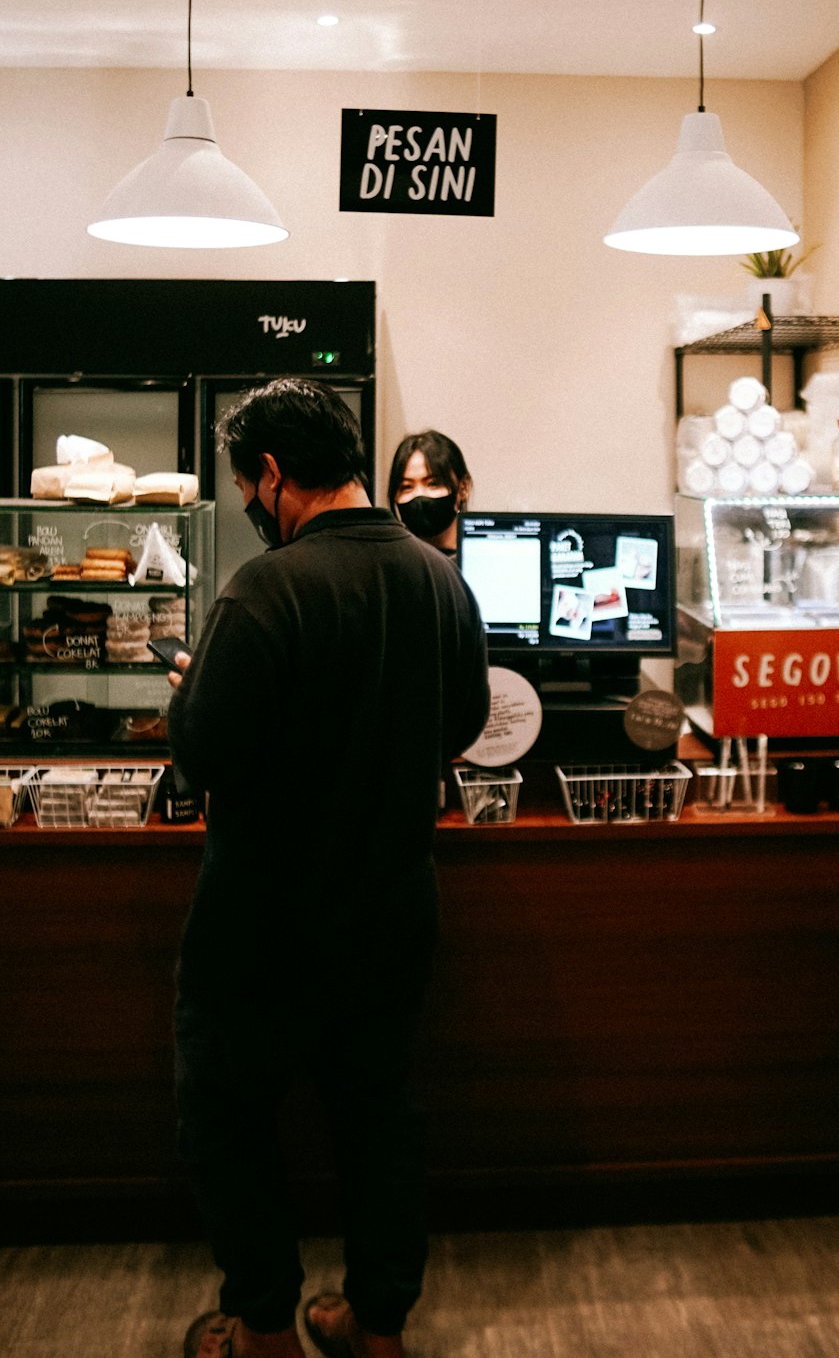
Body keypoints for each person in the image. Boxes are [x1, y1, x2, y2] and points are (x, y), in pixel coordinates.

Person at [168, 378, 490, 1358]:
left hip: (261, 919)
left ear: (272, 474)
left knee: (227, 1113)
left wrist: (195, 688)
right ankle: (376, 1323)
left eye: (244, 488)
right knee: (379, 1116)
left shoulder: (264, 586)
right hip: (392, 907)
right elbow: (466, 722)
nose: (250, 507)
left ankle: (262, 1323)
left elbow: (204, 756)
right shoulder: (441, 578)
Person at [387, 430, 471, 556]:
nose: (419, 495)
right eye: (407, 487)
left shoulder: (480, 555)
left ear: (463, 488)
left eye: (433, 484)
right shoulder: (391, 558)